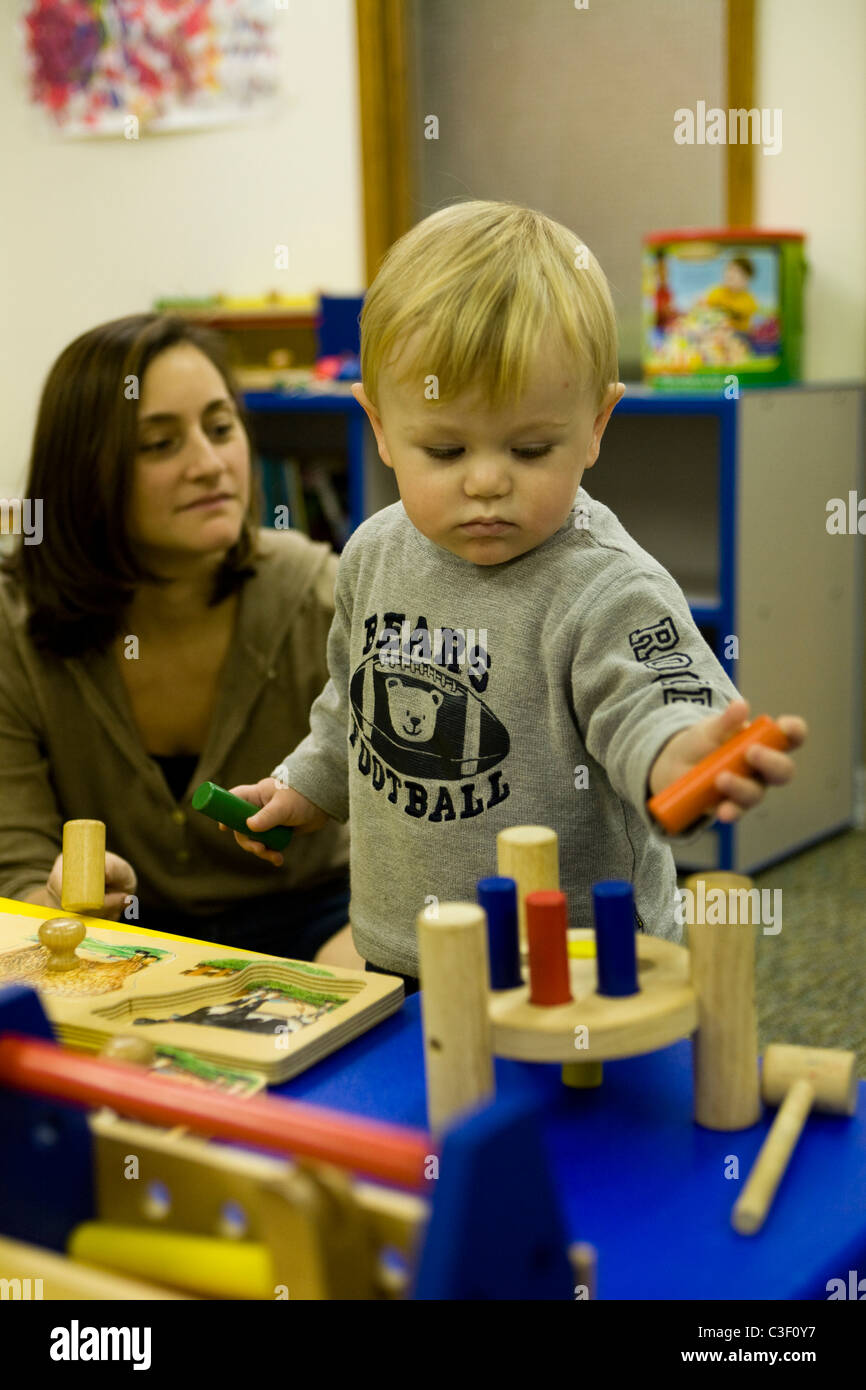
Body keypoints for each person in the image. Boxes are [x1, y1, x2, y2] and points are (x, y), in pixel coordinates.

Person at [224, 200, 807, 994]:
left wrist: (680, 755)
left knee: (589, 1117)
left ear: (597, 424)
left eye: (531, 448)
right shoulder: (371, 555)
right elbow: (352, 706)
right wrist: (306, 785)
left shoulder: (604, 582)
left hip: (584, 967)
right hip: (406, 947)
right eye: (446, 448)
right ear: (381, 427)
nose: (488, 479)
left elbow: (653, 697)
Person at [0, 314, 357, 965]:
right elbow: (17, 870)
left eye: (221, 429)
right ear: (83, 471)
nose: (210, 463)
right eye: (160, 444)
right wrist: (59, 904)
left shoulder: (321, 593)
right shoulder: (13, 620)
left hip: (322, 916)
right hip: (124, 937)